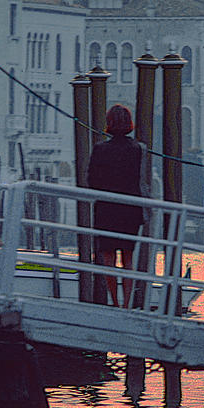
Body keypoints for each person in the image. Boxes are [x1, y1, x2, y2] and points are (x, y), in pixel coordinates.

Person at [87, 104, 148, 308]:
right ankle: (127, 303)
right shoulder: (138, 149)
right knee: (128, 259)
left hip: (107, 209)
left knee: (108, 258)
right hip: (130, 209)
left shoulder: (99, 149)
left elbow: (92, 181)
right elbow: (141, 181)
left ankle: (114, 300)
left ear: (109, 123)